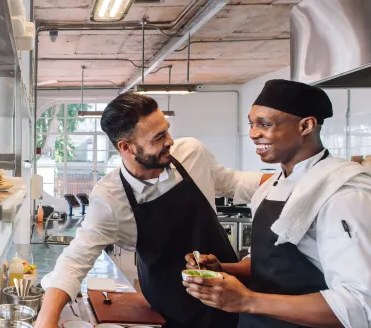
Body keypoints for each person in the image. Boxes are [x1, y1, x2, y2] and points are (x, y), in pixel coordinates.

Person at [35, 93, 271, 328]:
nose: (169, 141)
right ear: (127, 147)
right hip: (168, 313)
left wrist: (290, 180)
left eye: (167, 131)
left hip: (230, 296)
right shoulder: (110, 198)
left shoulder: (191, 153)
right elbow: (76, 259)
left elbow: (231, 183)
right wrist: (47, 319)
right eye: (158, 138)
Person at [182, 79, 371, 328]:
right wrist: (226, 269)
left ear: (306, 125)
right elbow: (267, 262)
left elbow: (359, 305)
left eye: (265, 124)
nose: (253, 133)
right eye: (251, 123)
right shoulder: (269, 187)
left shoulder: (342, 195)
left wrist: (247, 300)